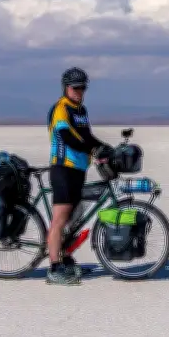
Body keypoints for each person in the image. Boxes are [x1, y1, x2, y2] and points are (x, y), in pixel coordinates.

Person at [45, 67, 108, 285]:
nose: (79, 91)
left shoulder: (81, 110)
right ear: (66, 87)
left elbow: (86, 136)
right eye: (76, 87)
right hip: (63, 168)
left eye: (83, 87)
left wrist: (104, 148)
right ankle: (54, 269)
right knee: (60, 220)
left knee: (74, 218)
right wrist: (92, 150)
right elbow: (67, 137)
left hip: (79, 170)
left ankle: (66, 259)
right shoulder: (61, 109)